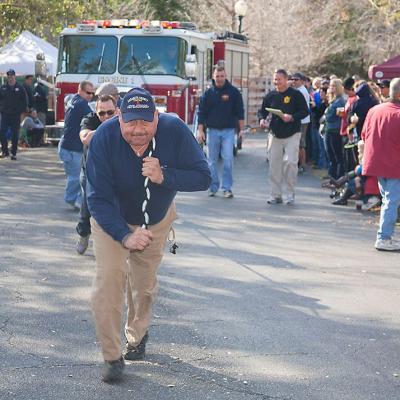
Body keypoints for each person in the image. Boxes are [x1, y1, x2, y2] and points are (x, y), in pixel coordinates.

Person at [86, 87, 211, 383]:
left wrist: (165, 175)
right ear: (119, 118)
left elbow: (204, 177)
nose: (138, 130)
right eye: (131, 122)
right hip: (111, 220)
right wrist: (124, 235)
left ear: (157, 117)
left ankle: (137, 334)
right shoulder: (103, 139)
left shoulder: (175, 130)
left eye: (145, 122)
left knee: (143, 287)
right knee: (109, 280)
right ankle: (111, 356)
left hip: (156, 221)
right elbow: (97, 198)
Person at [75, 92, 118, 255]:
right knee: (87, 208)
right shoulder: (90, 119)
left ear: (117, 110)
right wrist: (108, 126)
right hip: (90, 173)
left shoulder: (123, 121)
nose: (106, 116)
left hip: (113, 173)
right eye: (102, 113)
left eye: (110, 113)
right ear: (96, 111)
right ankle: (83, 234)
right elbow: (85, 138)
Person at [259, 69, 309, 205]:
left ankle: (290, 194)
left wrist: (292, 117)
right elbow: (262, 111)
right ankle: (275, 195)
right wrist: (262, 120)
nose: (277, 82)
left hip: (292, 133)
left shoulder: (296, 95)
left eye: (279, 79)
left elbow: (305, 111)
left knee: (290, 163)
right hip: (275, 134)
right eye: (275, 79)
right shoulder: (271, 95)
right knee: (274, 165)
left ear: (286, 79)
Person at [362, 78, 400, 251]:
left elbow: (364, 135)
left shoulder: (374, 110)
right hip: (394, 164)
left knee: (387, 201)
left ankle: (386, 236)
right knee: (390, 202)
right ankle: (384, 237)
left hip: (378, 162)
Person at [197, 65, 244, 198]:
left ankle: (227, 188)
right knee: (211, 161)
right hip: (212, 131)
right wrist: (201, 131)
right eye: (217, 76)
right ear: (213, 76)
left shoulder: (233, 92)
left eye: (222, 76)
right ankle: (213, 187)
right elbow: (201, 112)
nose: (219, 78)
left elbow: (240, 112)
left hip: (229, 131)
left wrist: (241, 130)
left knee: (228, 159)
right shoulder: (208, 93)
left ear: (226, 76)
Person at [58, 80, 94, 210]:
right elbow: (94, 118)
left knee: (74, 176)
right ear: (80, 90)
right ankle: (73, 200)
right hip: (73, 148)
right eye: (88, 93)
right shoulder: (82, 104)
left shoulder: (73, 100)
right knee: (76, 177)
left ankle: (76, 199)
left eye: (92, 93)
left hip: (66, 146)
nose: (90, 96)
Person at [0, 69, 28, 160]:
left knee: (15, 134)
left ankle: (14, 153)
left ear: (14, 77)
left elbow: (24, 101)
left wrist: (20, 111)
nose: (10, 78)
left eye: (11, 77)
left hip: (15, 115)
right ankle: (5, 151)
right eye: (8, 77)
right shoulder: (3, 88)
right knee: (2, 132)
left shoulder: (20, 88)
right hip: (5, 114)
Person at [323, 79, 346, 180]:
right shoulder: (333, 100)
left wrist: (326, 116)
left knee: (337, 156)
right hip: (329, 130)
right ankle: (331, 175)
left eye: (333, 86)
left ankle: (337, 177)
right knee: (330, 155)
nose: (331, 88)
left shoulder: (340, 101)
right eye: (330, 86)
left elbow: (332, 117)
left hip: (335, 131)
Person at [291, 72, 310, 173]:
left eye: (296, 79)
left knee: (301, 143)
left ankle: (302, 164)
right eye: (292, 79)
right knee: (299, 143)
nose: (294, 81)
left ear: (302, 81)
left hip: (302, 120)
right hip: (300, 119)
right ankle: (300, 164)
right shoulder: (298, 90)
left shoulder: (302, 91)